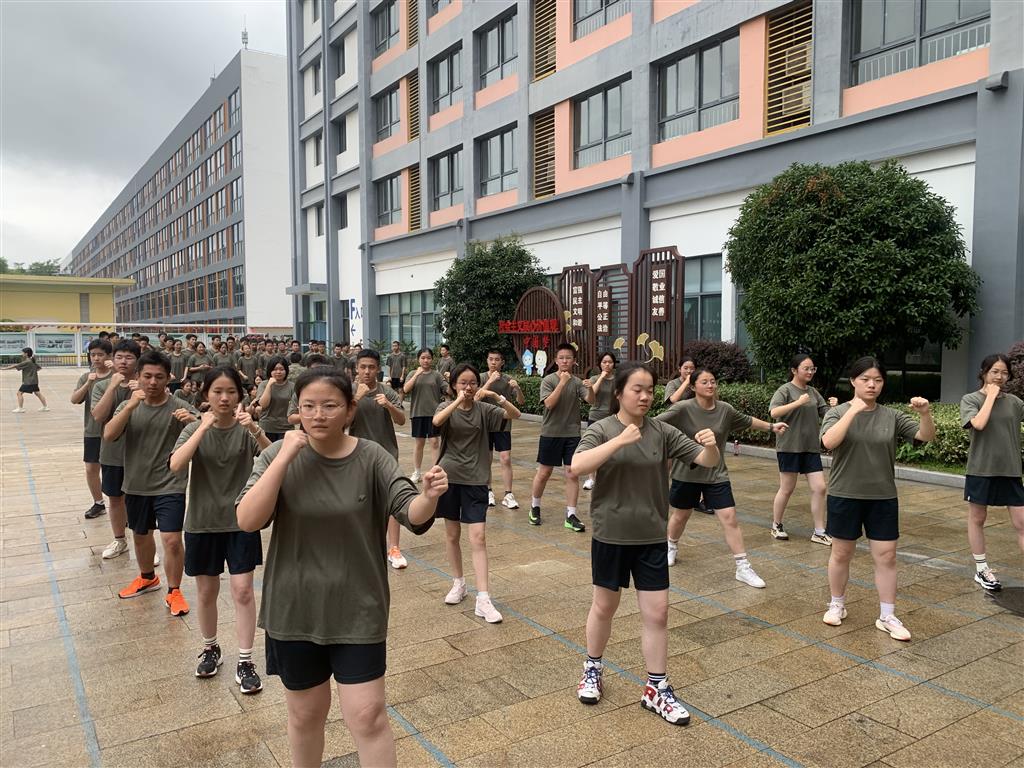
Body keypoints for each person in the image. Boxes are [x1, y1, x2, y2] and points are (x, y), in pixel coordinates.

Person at [235, 369, 447, 768]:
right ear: (298, 410)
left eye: (330, 405)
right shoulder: (276, 455)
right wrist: (285, 457)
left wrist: (430, 496)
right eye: (309, 406)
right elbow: (247, 519)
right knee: (305, 715)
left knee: (368, 715)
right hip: (295, 609)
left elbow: (411, 513)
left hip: (358, 607)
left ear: (350, 410)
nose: (318, 415)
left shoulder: (372, 457)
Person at [571, 362, 719, 724]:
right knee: (604, 607)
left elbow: (704, 461)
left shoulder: (662, 431)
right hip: (611, 534)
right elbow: (577, 465)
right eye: (637, 389)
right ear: (619, 392)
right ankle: (593, 668)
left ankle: (656, 688)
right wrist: (619, 441)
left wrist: (712, 447)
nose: (645, 396)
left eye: (650, 390)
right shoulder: (603, 428)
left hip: (651, 535)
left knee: (658, 613)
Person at [169, 366, 270, 692]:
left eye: (230, 392)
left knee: (243, 590)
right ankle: (210, 647)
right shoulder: (193, 428)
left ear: (240, 395)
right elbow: (175, 464)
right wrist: (202, 426)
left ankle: (245, 660)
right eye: (217, 392)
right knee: (206, 591)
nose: (224, 398)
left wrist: (254, 428)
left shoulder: (246, 429)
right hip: (202, 522)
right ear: (206, 395)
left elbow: (273, 457)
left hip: (241, 520)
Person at [820, 357, 935, 640]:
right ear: (853, 381)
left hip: (882, 496)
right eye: (865, 379)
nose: (872, 385)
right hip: (845, 494)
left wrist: (925, 414)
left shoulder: (891, 416)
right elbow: (828, 442)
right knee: (841, 553)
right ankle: (837, 604)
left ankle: (887, 615)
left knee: (887, 556)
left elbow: (925, 436)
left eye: (878, 380)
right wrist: (853, 411)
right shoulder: (837, 412)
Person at [656, 367, 787, 587]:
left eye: (713, 381)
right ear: (693, 386)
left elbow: (747, 421)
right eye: (705, 382)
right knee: (681, 515)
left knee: (729, 517)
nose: (710, 385)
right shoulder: (682, 408)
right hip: (686, 473)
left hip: (716, 474)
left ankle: (742, 566)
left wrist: (772, 426)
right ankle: (671, 546)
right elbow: (656, 424)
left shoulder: (725, 409)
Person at [104, 352, 198, 615]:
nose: (153, 382)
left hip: (170, 484)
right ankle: (147, 577)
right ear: (138, 376)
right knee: (141, 535)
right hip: (136, 484)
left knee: (171, 539)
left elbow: (207, 432)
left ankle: (174, 591)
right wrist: (130, 407)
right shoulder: (129, 405)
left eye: (159, 377)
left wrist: (193, 422)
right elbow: (109, 435)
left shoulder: (179, 406)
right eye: (147, 376)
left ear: (168, 378)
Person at [433, 363, 521, 622]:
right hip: (449, 478)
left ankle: (483, 598)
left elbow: (514, 414)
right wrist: (456, 401)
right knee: (452, 535)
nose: (468, 387)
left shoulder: (484, 410)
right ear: (453, 385)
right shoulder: (444, 407)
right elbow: (437, 422)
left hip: (476, 479)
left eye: (472, 382)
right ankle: (458, 583)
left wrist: (495, 395)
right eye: (463, 382)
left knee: (478, 537)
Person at [960, 353, 1024, 591]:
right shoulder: (970, 399)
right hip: (981, 469)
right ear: (984, 373)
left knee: (1022, 522)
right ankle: (981, 569)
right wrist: (990, 397)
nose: (1000, 376)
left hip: (1011, 470)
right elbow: (978, 424)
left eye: (1004, 372)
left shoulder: (1015, 402)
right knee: (977, 518)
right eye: (995, 371)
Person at [349, 349, 409, 569]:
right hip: (357, 456)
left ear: (378, 369)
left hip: (387, 455)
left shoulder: (387, 391)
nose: (367, 371)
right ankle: (365, 546)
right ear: (356, 368)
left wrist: (389, 405)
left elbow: (401, 420)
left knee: (392, 501)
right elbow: (342, 422)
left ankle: (394, 548)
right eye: (363, 367)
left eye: (371, 367)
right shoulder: (349, 391)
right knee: (361, 503)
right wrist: (357, 398)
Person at [768, 354, 838, 544]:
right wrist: (798, 402)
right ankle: (776, 525)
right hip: (789, 446)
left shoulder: (813, 392)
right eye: (806, 368)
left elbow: (827, 414)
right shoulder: (785, 390)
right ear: (794, 370)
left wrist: (835, 407)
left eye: (812, 368)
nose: (810, 372)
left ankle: (819, 531)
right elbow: (774, 412)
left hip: (810, 447)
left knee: (820, 487)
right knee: (787, 488)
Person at [90, 340, 141, 560]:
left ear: (137, 361)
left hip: (140, 453)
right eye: (119, 357)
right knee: (115, 498)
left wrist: (141, 390)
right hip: (112, 453)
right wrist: (112, 386)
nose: (123, 361)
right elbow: (98, 416)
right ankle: (120, 540)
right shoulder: (102, 386)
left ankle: (144, 543)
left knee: (139, 499)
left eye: (129, 357)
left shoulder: (146, 384)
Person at [530, 344, 588, 532]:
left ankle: (571, 514)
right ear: (555, 360)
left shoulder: (577, 382)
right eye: (561, 358)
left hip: (572, 434)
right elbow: (549, 404)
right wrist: (562, 383)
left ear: (574, 361)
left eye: (568, 358)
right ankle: (534, 507)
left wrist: (592, 387)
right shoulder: (548, 380)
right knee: (544, 472)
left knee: (572, 473)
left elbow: (591, 400)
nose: (564, 361)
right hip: (551, 433)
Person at [477, 349, 525, 508]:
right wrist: (490, 381)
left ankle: (508, 494)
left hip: (503, 424)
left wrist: (517, 388)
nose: (493, 362)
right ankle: (488, 490)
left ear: (502, 362)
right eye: (491, 359)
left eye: (497, 359)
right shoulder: (481, 377)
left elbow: (521, 402)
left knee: (505, 458)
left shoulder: (508, 379)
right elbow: (477, 397)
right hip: (485, 424)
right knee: (487, 459)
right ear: (487, 361)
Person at [71, 339, 113, 519]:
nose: (96, 358)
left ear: (109, 356)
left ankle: (123, 506)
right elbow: (74, 399)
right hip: (93, 430)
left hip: (114, 431)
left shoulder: (117, 375)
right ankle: (98, 503)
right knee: (91, 468)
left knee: (115, 470)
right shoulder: (86, 377)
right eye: (93, 355)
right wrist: (88, 383)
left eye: (100, 355)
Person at [403, 348, 448, 483]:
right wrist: (417, 374)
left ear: (432, 359)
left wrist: (450, 380)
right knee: (419, 443)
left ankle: (435, 472)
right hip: (418, 413)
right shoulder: (413, 373)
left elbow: (448, 390)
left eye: (428, 358)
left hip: (434, 414)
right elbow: (405, 389)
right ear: (418, 359)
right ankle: (417, 472)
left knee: (434, 442)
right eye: (423, 358)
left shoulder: (437, 375)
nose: (426, 360)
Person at [582, 352, 616, 492]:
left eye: (610, 362)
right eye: (604, 362)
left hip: (612, 418)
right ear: (600, 364)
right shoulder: (594, 378)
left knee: (611, 449)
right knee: (594, 448)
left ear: (614, 364)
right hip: (595, 416)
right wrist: (602, 377)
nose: (607, 365)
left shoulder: (618, 379)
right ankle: (591, 478)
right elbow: (591, 396)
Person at [257, 356, 295, 442]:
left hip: (286, 427)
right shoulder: (263, 384)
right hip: (267, 426)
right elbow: (263, 404)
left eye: (281, 369)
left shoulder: (292, 386)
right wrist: (269, 385)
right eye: (275, 369)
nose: (278, 372)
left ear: (286, 370)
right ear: (270, 371)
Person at [5, 347, 49, 412]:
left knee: (19, 393)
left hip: (29, 381)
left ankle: (20, 408)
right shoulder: (32, 360)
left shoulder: (27, 361)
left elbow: (15, 365)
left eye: (22, 353)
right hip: (34, 381)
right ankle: (45, 407)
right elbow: (39, 368)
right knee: (37, 393)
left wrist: (4, 369)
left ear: (26, 354)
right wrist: (32, 372)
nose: (21, 354)